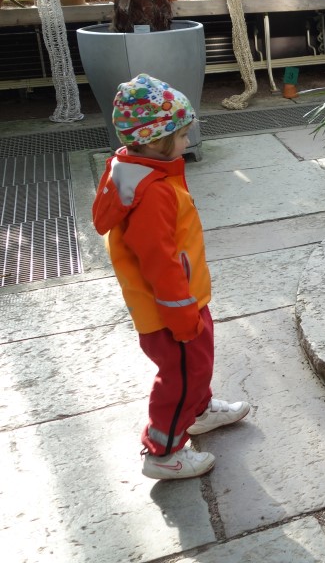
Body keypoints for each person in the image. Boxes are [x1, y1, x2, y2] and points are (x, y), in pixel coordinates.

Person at [93, 74, 249, 480]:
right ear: (153, 141)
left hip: (182, 300)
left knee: (195, 367)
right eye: (180, 135)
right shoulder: (153, 192)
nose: (187, 140)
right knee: (179, 378)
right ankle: (162, 451)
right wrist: (181, 316)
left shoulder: (144, 172)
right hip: (170, 312)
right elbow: (160, 263)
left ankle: (198, 411)